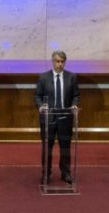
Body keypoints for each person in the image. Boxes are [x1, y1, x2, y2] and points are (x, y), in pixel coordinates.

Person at [34, 51, 79, 185]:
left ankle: (65, 173)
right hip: (48, 118)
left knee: (65, 147)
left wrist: (74, 105)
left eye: (62, 62)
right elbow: (37, 96)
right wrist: (41, 106)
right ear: (52, 61)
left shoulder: (72, 77)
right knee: (47, 147)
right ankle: (46, 174)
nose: (60, 64)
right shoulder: (43, 77)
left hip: (65, 117)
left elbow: (76, 95)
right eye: (57, 61)